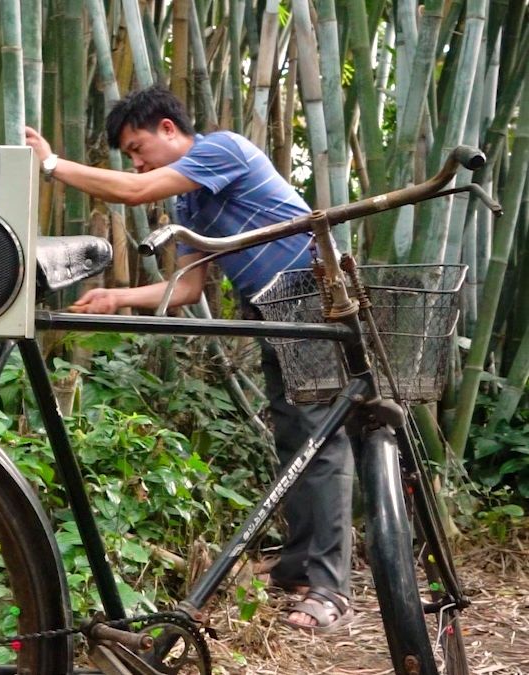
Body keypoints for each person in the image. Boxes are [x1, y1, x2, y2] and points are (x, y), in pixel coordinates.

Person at [24, 85, 354, 633]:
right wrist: (117, 298)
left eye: (137, 146)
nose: (135, 160)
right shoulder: (189, 202)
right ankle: (299, 566)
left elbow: (134, 191)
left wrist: (53, 164)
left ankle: (330, 589)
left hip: (311, 290)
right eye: (129, 153)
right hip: (271, 305)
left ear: (170, 130)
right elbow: (184, 288)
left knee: (320, 435)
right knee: (295, 435)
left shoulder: (223, 149)